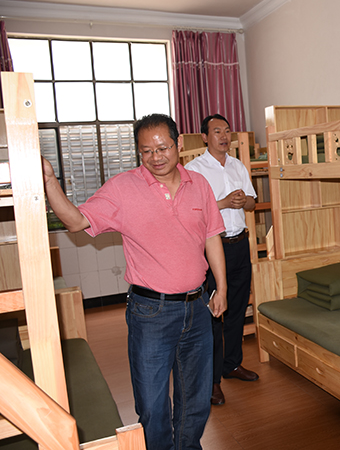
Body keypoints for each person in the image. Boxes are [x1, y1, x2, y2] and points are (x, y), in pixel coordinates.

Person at [42, 113, 228, 450]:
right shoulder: (123, 188)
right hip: (151, 312)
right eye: (146, 151)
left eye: (163, 148)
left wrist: (222, 288)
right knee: (153, 405)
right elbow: (75, 221)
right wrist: (50, 182)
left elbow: (212, 236)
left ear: (179, 144)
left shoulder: (199, 184)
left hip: (198, 306)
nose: (156, 157)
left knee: (196, 400)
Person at [184, 114, 258, 406]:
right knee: (213, 314)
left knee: (237, 308)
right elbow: (190, 211)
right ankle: (212, 380)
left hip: (239, 244)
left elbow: (252, 202)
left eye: (227, 131)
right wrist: (224, 203)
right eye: (217, 131)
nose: (224, 136)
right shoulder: (194, 170)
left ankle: (232, 364)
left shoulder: (238, 165)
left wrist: (242, 201)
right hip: (212, 248)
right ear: (205, 137)